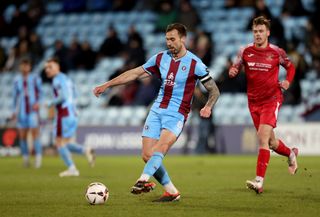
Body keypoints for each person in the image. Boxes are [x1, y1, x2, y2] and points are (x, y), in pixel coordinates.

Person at [93, 23, 220, 202]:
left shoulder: (195, 63)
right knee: (147, 155)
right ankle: (172, 192)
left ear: (183, 39)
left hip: (177, 113)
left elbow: (214, 90)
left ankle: (143, 180)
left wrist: (208, 106)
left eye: (173, 39)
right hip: (157, 110)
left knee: (161, 147)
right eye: (167, 39)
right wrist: (107, 85)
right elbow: (135, 73)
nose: (169, 43)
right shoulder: (160, 58)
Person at [229, 16, 298, 194]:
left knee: (261, 137)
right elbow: (236, 65)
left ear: (268, 32)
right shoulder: (245, 51)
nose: (258, 34)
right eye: (255, 31)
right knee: (271, 142)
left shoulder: (277, 52)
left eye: (261, 31)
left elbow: (291, 67)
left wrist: (288, 82)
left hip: (271, 99)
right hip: (253, 102)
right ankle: (290, 153)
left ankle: (259, 181)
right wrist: (234, 70)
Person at [44, 57, 95, 177]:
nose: (47, 70)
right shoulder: (67, 79)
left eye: (50, 67)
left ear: (58, 67)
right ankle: (85, 150)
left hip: (64, 113)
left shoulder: (57, 79)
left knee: (59, 142)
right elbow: (75, 95)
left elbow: (63, 96)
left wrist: (50, 103)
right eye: (46, 67)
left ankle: (72, 169)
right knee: (65, 143)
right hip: (72, 113)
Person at [12, 58, 42, 168]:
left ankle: (38, 159)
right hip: (21, 112)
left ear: (30, 67)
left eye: (27, 65)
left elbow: (41, 93)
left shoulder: (35, 78)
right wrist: (13, 111)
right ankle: (26, 159)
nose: (25, 68)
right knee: (22, 136)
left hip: (33, 111)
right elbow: (15, 97)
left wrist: (38, 103)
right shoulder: (16, 80)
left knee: (35, 134)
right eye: (23, 65)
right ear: (21, 67)